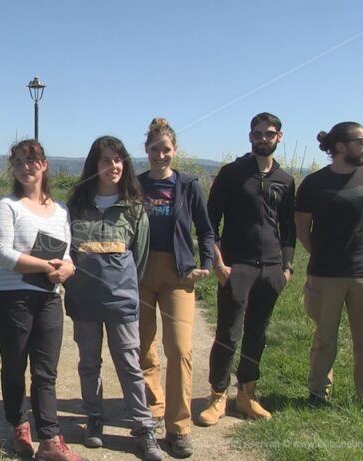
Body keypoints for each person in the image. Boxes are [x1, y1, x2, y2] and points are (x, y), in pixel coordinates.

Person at [65, 136, 162, 461]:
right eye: (106, 160)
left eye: (118, 160)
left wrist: (123, 286)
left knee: (130, 364)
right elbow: (67, 253)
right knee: (89, 363)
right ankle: (94, 419)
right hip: (84, 302)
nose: (113, 166)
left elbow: (140, 260)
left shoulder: (135, 209)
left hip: (122, 302)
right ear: (95, 165)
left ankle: (143, 427)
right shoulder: (76, 206)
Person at [200, 112, 296, 426]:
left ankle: (246, 395)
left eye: (269, 134)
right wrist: (218, 263)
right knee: (228, 333)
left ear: (278, 137)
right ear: (250, 136)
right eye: (257, 133)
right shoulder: (231, 174)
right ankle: (218, 397)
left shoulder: (285, 179)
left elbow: (288, 227)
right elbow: (208, 223)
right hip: (235, 266)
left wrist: (287, 268)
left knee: (257, 333)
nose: (263, 139)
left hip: (270, 269)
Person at [0, 139, 83, 461]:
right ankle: (18, 424)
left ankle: (49, 440)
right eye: (18, 162)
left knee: (45, 372)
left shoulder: (61, 210)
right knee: (14, 366)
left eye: (31, 160)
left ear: (43, 164)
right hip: (13, 297)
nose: (25, 167)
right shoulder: (8, 206)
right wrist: (47, 266)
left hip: (48, 297)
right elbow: (3, 254)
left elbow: (68, 253)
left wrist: (68, 270)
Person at [295, 122, 363, 425]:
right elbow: (303, 230)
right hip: (325, 274)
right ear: (342, 146)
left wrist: (360, 252)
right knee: (324, 338)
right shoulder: (313, 184)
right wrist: (323, 254)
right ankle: (318, 393)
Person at [137, 118, 215, 458]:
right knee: (141, 346)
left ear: (175, 151)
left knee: (180, 349)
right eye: (155, 149)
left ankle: (178, 428)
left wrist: (207, 264)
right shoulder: (135, 184)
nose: (160, 155)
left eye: (166, 149)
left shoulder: (188, 185)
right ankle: (154, 409)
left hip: (179, 272)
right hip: (140, 271)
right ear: (147, 151)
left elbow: (207, 229)